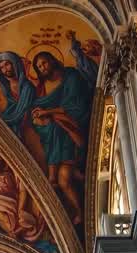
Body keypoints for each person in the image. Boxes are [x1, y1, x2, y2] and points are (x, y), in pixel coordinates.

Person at [30, 46, 95, 223]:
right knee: (64, 180)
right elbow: (39, 109)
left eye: (44, 62)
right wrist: (39, 115)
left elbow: (76, 106)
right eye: (39, 67)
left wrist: (49, 113)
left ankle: (60, 175)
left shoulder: (71, 76)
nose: (43, 68)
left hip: (75, 129)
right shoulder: (42, 88)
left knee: (56, 127)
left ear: (52, 59)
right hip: (61, 137)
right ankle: (80, 213)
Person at [0, 150, 44, 241]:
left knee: (17, 222)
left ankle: (14, 233)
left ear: (0, 162)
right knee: (5, 219)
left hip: (10, 204)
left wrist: (20, 209)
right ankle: (13, 233)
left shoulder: (9, 175)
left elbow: (18, 191)